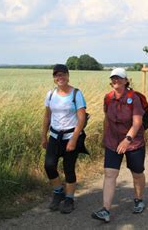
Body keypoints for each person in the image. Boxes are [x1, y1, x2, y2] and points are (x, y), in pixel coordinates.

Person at [92, 68, 146, 223]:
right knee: (110, 174)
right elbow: (106, 119)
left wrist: (127, 139)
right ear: (111, 81)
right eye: (114, 78)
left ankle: (139, 199)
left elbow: (137, 123)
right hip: (112, 141)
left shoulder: (133, 98)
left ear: (126, 80)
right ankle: (105, 210)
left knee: (137, 173)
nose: (116, 80)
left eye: (119, 78)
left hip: (134, 141)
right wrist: (104, 137)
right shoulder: (108, 98)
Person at [41, 64, 88, 214]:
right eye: (56, 75)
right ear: (54, 78)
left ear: (68, 76)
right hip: (55, 136)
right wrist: (43, 135)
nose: (60, 78)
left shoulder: (76, 94)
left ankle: (69, 199)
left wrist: (74, 139)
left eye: (62, 74)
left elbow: (81, 119)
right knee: (49, 166)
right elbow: (47, 116)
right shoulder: (50, 95)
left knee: (69, 169)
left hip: (71, 136)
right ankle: (58, 191)